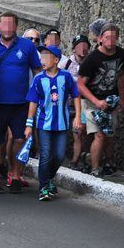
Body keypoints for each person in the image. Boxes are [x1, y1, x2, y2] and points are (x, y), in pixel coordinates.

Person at [0, 12, 41, 193]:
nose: (7, 28)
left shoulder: (27, 46)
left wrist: (39, 94)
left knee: (20, 139)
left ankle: (15, 174)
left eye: (11, 25)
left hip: (21, 103)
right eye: (4, 25)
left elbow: (37, 70)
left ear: (16, 27)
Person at [25, 45, 81, 201]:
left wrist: (77, 116)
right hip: (43, 124)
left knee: (59, 155)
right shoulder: (38, 79)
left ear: (56, 60)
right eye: (41, 57)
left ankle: (48, 178)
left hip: (62, 123)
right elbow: (33, 103)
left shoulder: (66, 76)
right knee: (45, 155)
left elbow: (75, 95)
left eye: (46, 57)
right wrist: (29, 124)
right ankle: (43, 187)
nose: (42, 60)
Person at [77, 23, 124, 177]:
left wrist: (122, 98)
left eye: (113, 38)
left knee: (108, 135)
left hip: (110, 101)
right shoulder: (91, 59)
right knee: (99, 134)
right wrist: (96, 101)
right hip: (92, 101)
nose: (110, 41)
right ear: (100, 38)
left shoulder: (122, 54)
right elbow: (80, 85)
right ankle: (95, 168)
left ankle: (99, 160)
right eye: (107, 38)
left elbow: (120, 76)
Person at [64, 34, 90, 170]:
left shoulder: (91, 63)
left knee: (80, 132)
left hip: (85, 104)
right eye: (79, 45)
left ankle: (77, 160)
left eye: (85, 45)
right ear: (74, 49)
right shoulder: (67, 63)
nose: (83, 48)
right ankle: (74, 160)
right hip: (69, 104)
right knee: (75, 132)